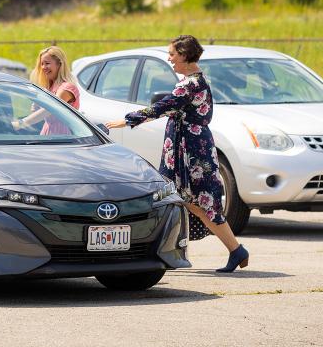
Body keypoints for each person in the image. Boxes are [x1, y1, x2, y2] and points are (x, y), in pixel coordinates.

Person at [106, 35, 249, 273]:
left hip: (190, 151)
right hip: (192, 147)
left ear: (183, 54)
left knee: (196, 203)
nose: (169, 59)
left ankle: (232, 250)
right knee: (191, 203)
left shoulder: (188, 85)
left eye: (172, 54)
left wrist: (127, 121)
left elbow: (163, 107)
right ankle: (228, 251)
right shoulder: (198, 80)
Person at [13, 46, 80, 135]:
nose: (44, 67)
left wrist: (20, 124)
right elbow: (35, 112)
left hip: (63, 136)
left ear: (59, 64)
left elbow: (49, 109)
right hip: (47, 134)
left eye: (47, 63)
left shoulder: (67, 88)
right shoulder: (49, 88)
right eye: (42, 64)